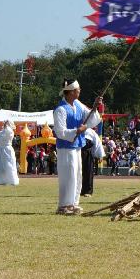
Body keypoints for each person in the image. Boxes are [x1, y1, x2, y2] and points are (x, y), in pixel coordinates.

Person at [52, 79, 102, 215]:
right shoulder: (60, 109)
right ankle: (64, 205)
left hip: (77, 145)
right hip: (65, 147)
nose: (79, 91)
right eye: (77, 89)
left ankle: (73, 203)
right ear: (71, 92)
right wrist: (76, 131)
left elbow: (91, 118)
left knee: (77, 174)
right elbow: (60, 131)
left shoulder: (78, 105)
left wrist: (95, 107)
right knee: (68, 175)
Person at [0, 120, 19, 186]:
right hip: (2, 149)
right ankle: (1, 180)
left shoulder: (9, 131)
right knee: (0, 165)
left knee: (8, 164)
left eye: (6, 123)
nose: (4, 124)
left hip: (6, 149)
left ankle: (12, 180)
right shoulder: (4, 131)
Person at [80, 128, 104, 197]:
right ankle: (77, 190)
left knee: (88, 172)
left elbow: (97, 143)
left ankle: (87, 191)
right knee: (76, 173)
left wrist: (100, 155)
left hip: (87, 153)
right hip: (76, 152)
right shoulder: (74, 128)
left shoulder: (91, 131)